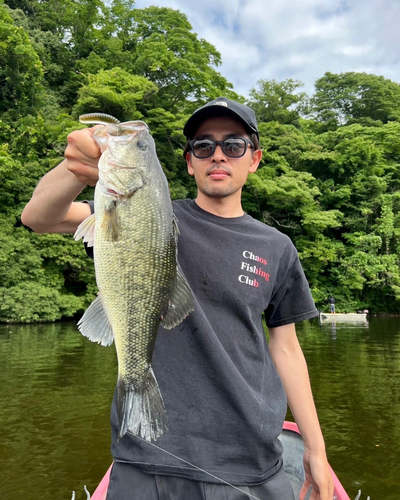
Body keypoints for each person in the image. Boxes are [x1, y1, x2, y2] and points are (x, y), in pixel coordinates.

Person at [21, 97, 334, 500]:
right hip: (147, 454)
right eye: (204, 146)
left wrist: (315, 447)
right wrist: (74, 170)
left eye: (233, 145)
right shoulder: (150, 212)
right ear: (189, 162)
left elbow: (287, 349)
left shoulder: (277, 246)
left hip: (250, 457)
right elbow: (38, 218)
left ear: (254, 159)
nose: (217, 155)